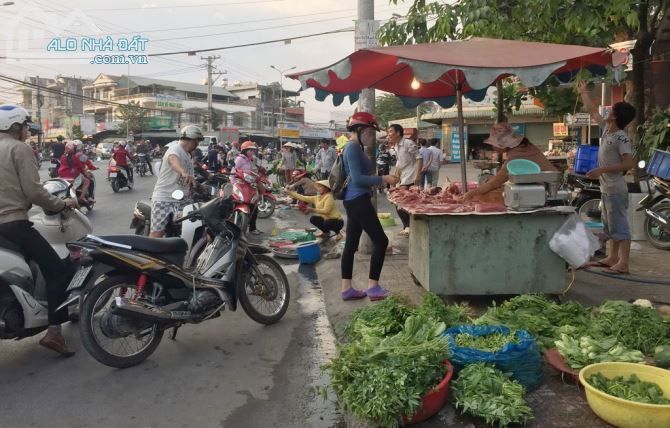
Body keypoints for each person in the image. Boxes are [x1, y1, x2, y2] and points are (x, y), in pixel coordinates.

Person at [0, 105, 78, 356]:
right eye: (24, 126)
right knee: (59, 270)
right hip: (12, 223)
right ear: (14, 126)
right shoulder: (19, 148)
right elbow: (34, 191)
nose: (26, 131)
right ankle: (54, 332)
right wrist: (61, 203)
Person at [341, 112, 400, 301]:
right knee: (381, 241)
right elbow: (357, 179)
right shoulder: (352, 148)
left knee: (350, 245)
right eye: (369, 132)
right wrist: (382, 178)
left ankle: (346, 289)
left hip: (356, 200)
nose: (371, 136)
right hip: (358, 201)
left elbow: (359, 178)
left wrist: (374, 182)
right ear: (358, 130)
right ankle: (373, 287)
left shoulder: (356, 148)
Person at [579, 82, 636, 275]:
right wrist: (583, 93)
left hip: (616, 189)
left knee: (620, 225)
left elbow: (628, 163)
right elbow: (593, 111)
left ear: (616, 116)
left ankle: (624, 263)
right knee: (609, 225)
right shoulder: (606, 129)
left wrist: (601, 169)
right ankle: (612, 258)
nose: (609, 110)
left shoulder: (621, 137)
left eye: (613, 109)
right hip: (607, 189)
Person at [463, 123, 557, 203]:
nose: (493, 147)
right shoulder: (525, 147)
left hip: (550, 195)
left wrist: (471, 194)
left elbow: (496, 182)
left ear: (503, 144)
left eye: (494, 144)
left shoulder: (517, 155)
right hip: (547, 188)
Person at [150, 125, 200, 237]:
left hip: (183, 200)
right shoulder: (175, 148)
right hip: (164, 198)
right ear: (191, 138)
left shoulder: (188, 155)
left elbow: (189, 179)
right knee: (157, 233)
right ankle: (148, 254)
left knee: (192, 230)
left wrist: (197, 186)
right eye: (197, 141)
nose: (197, 144)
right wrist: (183, 172)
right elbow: (173, 160)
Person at [387, 124, 421, 237]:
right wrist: (395, 178)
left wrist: (417, 176)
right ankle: (407, 227)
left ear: (398, 133)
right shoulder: (396, 146)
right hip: (403, 177)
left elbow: (419, 158)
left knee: (401, 202)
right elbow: (399, 163)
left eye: (391, 131)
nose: (388, 134)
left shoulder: (408, 143)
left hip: (411, 177)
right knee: (398, 202)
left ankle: (409, 227)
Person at [234, 140, 263, 235]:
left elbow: (252, 172)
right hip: (239, 184)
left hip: (249, 185)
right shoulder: (239, 159)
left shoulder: (250, 160)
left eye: (253, 150)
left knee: (254, 206)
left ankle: (252, 228)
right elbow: (233, 171)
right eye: (251, 150)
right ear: (245, 150)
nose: (253, 152)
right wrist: (233, 182)